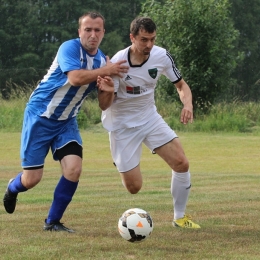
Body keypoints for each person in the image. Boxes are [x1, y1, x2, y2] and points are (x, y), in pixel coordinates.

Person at [3, 11, 129, 233]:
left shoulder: (101, 61)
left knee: (74, 169)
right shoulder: (69, 48)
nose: (92, 34)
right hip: (40, 117)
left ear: (103, 33)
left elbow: (103, 105)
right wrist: (107, 70)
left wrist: (107, 90)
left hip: (66, 122)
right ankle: (13, 188)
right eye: (87, 30)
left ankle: (52, 222)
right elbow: (75, 78)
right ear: (79, 31)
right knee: (32, 179)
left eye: (97, 30)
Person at [101, 17, 200, 228]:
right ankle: (122, 160)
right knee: (134, 188)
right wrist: (107, 89)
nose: (149, 45)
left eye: (152, 39)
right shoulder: (118, 62)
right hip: (123, 126)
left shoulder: (161, 56)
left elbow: (181, 85)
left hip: (149, 118)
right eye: (144, 40)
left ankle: (179, 218)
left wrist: (188, 105)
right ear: (132, 37)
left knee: (181, 163)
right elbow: (104, 105)